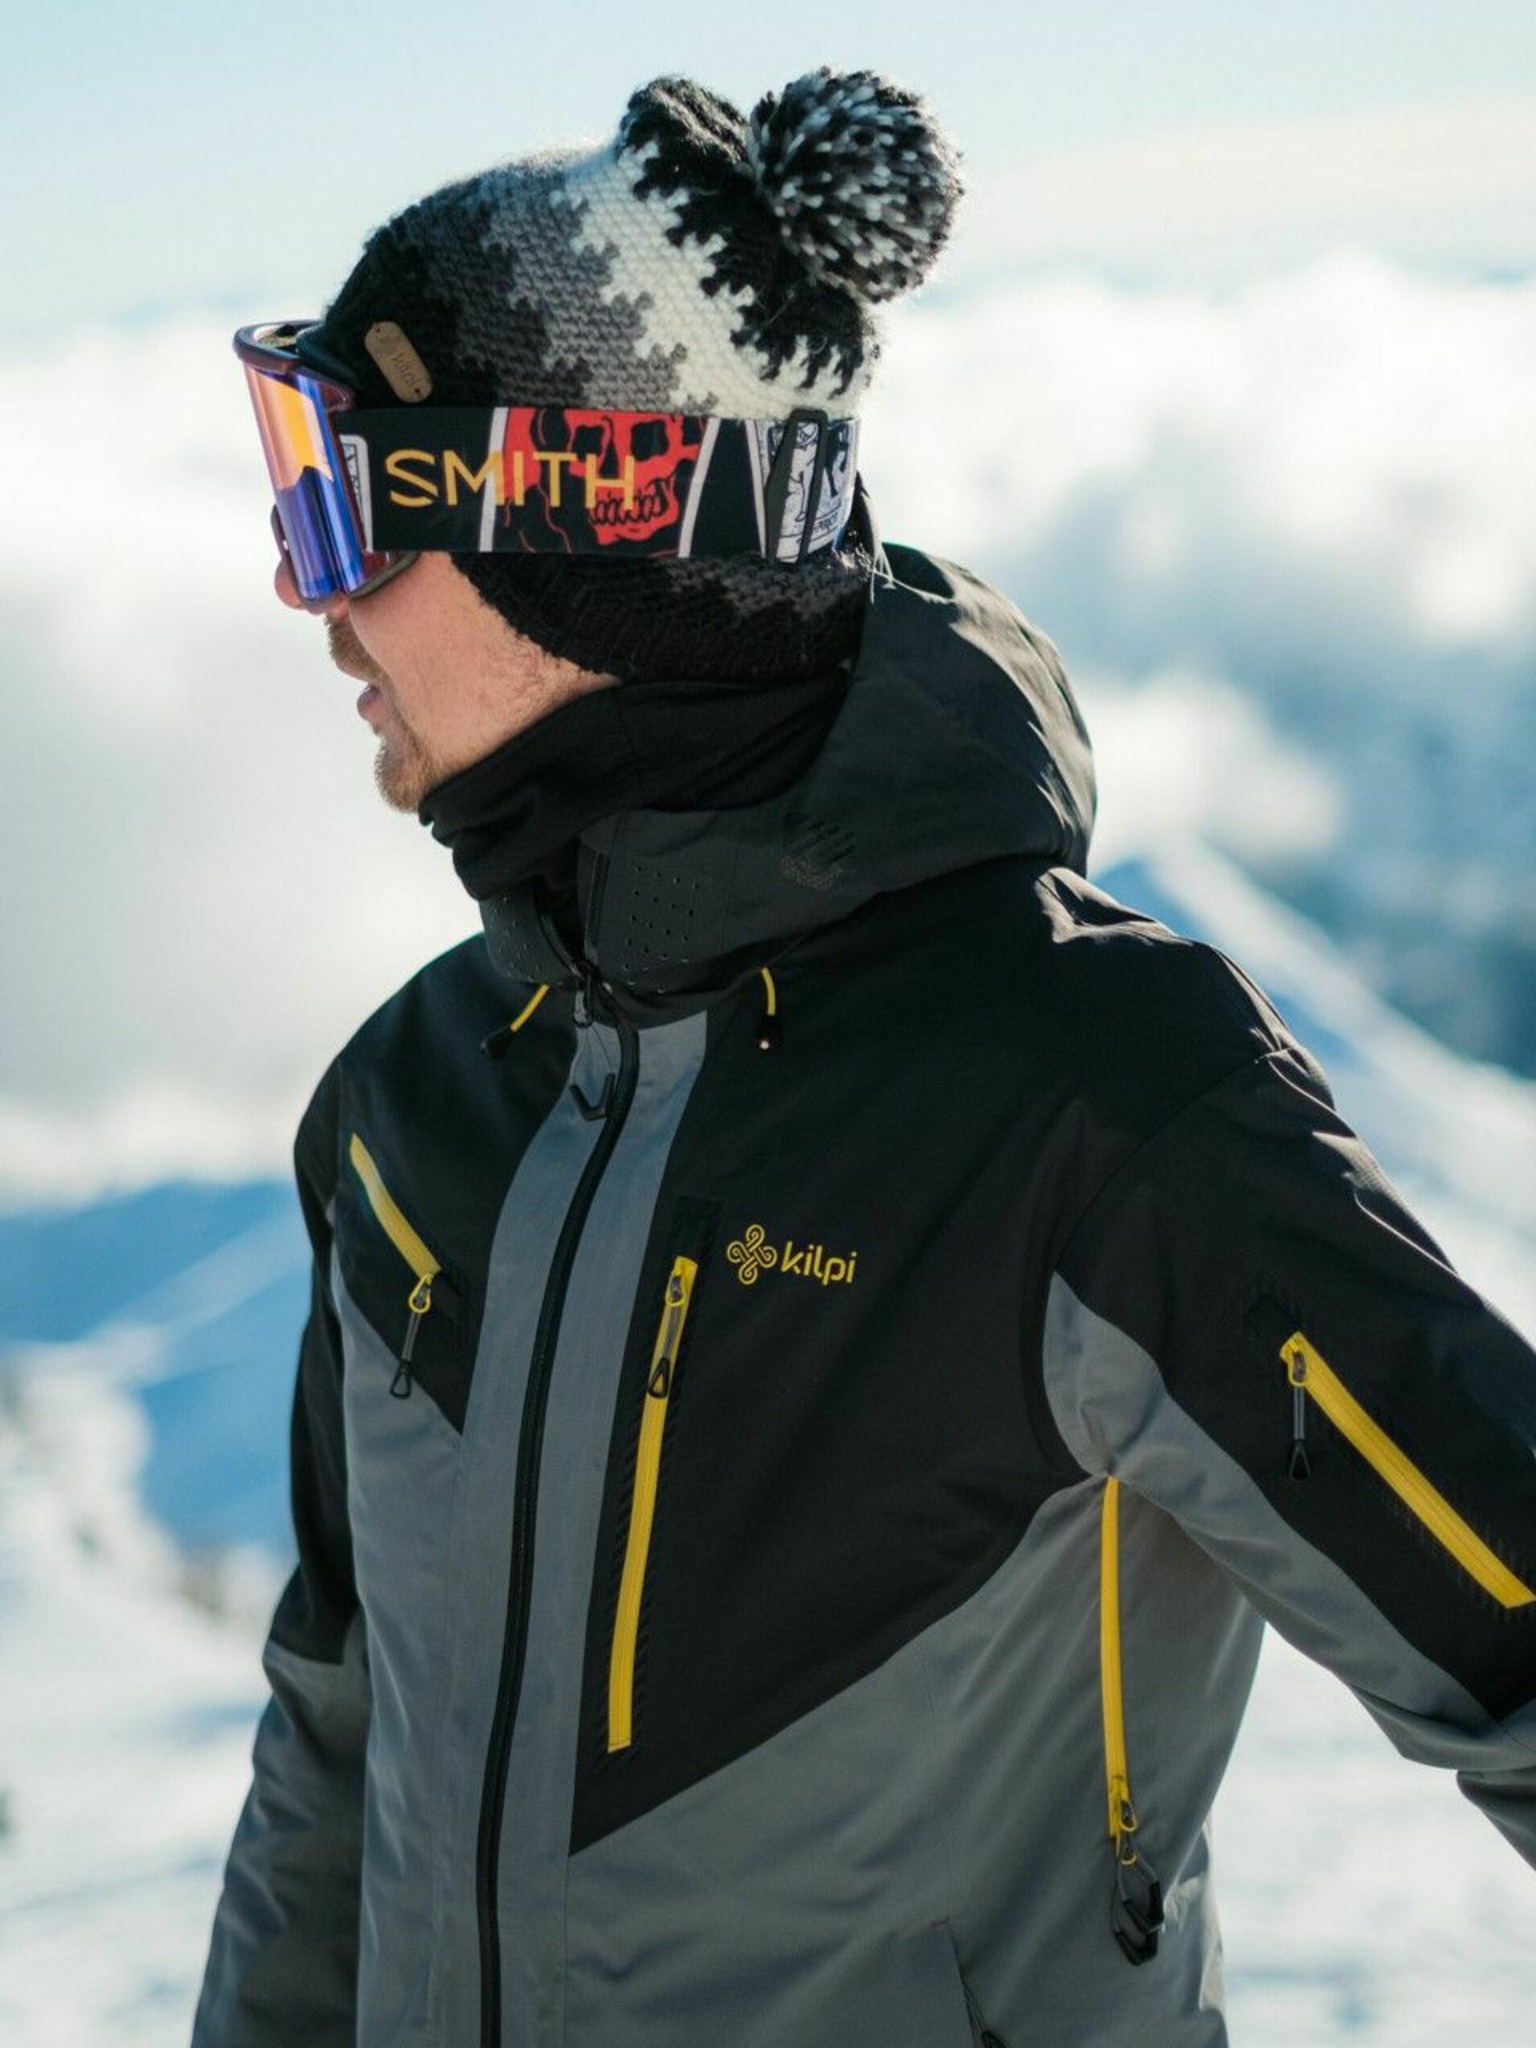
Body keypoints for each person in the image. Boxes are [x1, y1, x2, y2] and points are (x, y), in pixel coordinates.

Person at [196, 68, 1536, 2048]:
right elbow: (334, 1751)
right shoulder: (415, 1099)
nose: (306, 592)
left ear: (583, 533)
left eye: (347, 501)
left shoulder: (1086, 1097)